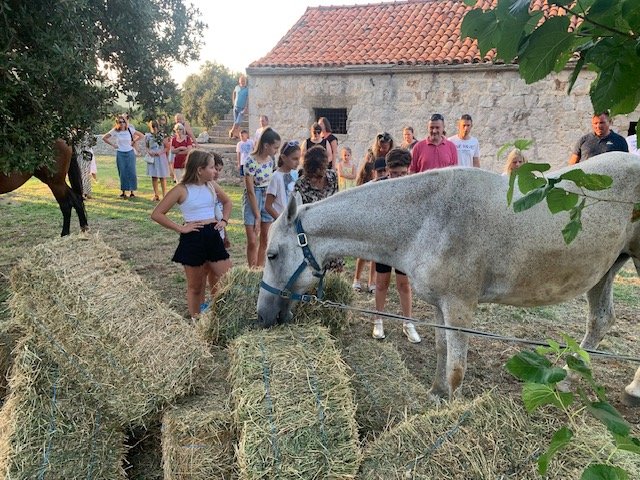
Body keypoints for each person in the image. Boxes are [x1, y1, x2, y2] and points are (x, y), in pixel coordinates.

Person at [151, 150, 232, 320]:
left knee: (228, 278)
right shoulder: (181, 189)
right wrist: (181, 228)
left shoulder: (211, 185)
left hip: (213, 235)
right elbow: (157, 214)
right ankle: (198, 320)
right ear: (199, 169)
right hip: (193, 238)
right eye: (211, 168)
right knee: (196, 285)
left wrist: (224, 220)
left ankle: (220, 314)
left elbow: (227, 202)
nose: (215, 171)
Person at [371, 148, 420, 343]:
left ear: (408, 170)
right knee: (381, 282)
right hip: (383, 242)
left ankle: (408, 323)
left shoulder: (414, 187)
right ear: (387, 171)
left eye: (402, 173)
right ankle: (378, 320)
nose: (398, 177)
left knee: (404, 284)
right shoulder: (378, 187)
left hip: (404, 244)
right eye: (394, 174)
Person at [294, 145, 343, 272]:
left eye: (324, 167)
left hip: (332, 231)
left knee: (335, 271)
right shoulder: (301, 185)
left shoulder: (332, 178)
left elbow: (337, 201)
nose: (322, 172)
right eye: (319, 170)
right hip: (313, 234)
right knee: (314, 270)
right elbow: (299, 213)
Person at [244, 127, 280, 267]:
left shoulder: (271, 160)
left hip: (267, 197)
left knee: (265, 238)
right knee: (252, 240)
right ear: (266, 145)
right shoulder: (250, 161)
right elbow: (250, 190)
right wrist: (257, 215)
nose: (276, 150)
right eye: (275, 147)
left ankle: (259, 270)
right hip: (253, 198)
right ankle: (251, 268)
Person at [206, 152, 232, 300]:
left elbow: (222, 212)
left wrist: (225, 233)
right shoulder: (208, 188)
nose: (217, 173)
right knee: (209, 270)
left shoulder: (216, 187)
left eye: (220, 170)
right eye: (215, 168)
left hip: (218, 234)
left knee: (215, 271)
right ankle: (212, 297)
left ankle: (215, 297)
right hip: (208, 235)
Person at [352, 148, 376, 293]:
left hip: (375, 219)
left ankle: (372, 281)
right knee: (363, 251)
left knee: (374, 253)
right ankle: (357, 279)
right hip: (365, 219)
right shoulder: (362, 180)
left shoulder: (380, 179)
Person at [102, 115, 144, 198]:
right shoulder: (115, 131)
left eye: (123, 121)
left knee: (132, 172)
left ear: (126, 122)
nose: (121, 124)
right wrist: (113, 145)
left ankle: (132, 191)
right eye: (119, 122)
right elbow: (104, 138)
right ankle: (123, 191)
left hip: (130, 152)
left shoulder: (130, 130)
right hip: (120, 153)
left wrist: (134, 141)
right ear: (117, 123)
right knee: (122, 172)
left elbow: (142, 135)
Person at [265, 140, 301, 219]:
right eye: (294, 159)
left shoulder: (295, 174)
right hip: (282, 221)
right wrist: (280, 221)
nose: (298, 162)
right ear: (284, 158)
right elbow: (268, 205)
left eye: (299, 158)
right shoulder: (276, 177)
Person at [145, 119, 171, 201]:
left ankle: (164, 195)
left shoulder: (163, 136)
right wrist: (149, 152)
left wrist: (161, 152)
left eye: (155, 126)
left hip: (161, 157)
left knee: (162, 177)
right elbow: (147, 147)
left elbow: (167, 147)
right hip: (153, 157)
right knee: (154, 176)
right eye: (152, 127)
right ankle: (156, 194)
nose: (154, 128)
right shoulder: (148, 136)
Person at [229, 74, 248, 140]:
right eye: (241, 81)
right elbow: (234, 93)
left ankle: (231, 131)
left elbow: (247, 99)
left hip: (242, 108)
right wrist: (233, 103)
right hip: (236, 107)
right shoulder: (237, 87)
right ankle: (236, 135)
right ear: (239, 81)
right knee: (236, 122)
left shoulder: (247, 89)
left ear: (245, 81)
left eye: (244, 81)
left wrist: (246, 108)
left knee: (237, 122)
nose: (243, 82)